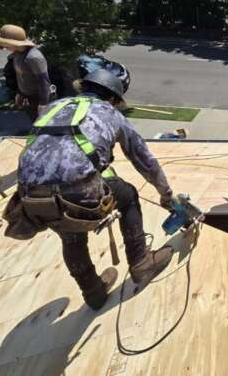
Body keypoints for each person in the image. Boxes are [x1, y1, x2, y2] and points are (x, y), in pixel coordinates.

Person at [11, 69, 175, 310]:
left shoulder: (55, 107)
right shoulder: (111, 113)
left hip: (31, 196)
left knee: (70, 233)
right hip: (76, 192)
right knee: (128, 196)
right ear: (113, 98)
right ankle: (141, 263)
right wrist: (166, 194)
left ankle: (93, 293)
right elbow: (144, 161)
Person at [0, 24, 52, 121]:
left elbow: (44, 82)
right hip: (27, 97)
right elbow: (21, 76)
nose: (4, 47)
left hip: (37, 99)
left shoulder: (33, 57)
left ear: (13, 43)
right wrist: (20, 93)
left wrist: (43, 104)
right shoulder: (17, 55)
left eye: (5, 44)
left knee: (41, 125)